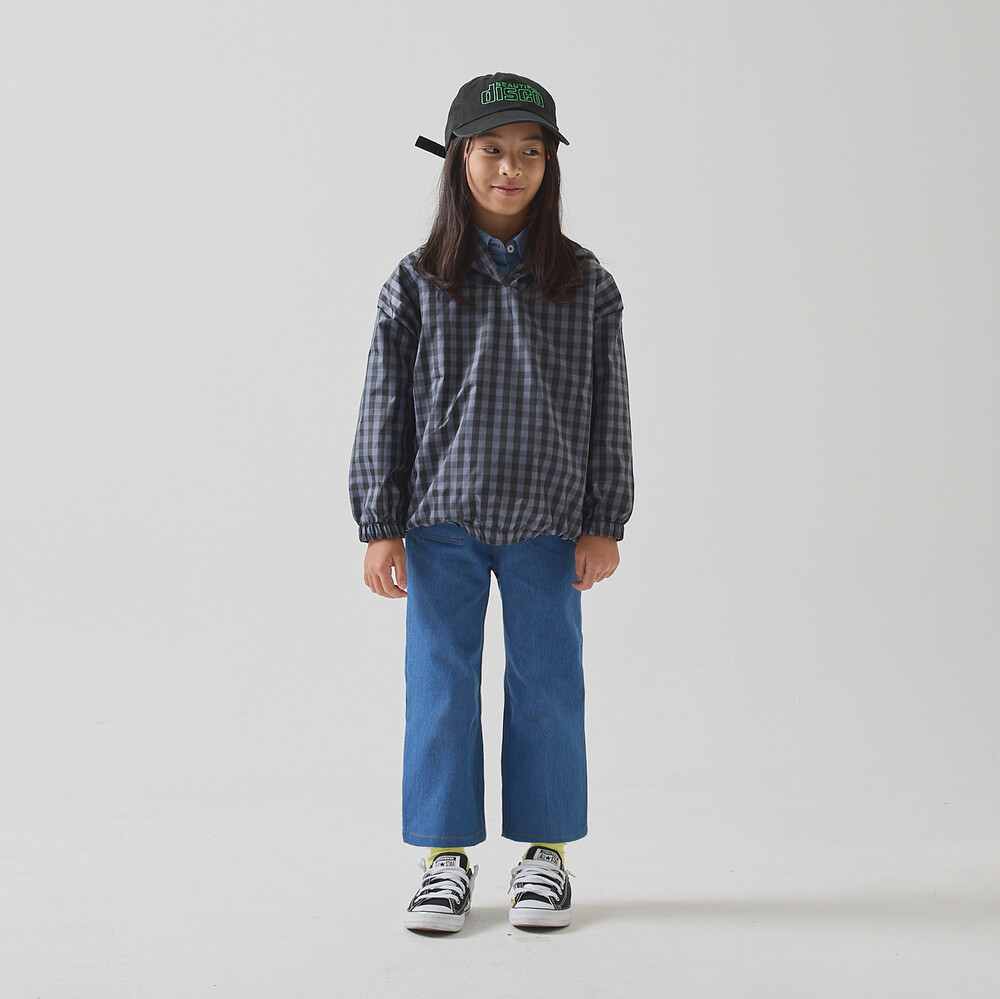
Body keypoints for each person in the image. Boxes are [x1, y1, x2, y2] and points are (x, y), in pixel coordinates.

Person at [348, 72, 634, 933]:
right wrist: (380, 523)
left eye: (530, 153)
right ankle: (444, 858)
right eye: (492, 150)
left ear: (549, 165)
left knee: (548, 685)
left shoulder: (585, 283)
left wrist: (605, 519)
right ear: (458, 158)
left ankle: (545, 855)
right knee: (441, 687)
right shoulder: (416, 281)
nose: (511, 168)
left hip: (549, 520)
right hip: (442, 520)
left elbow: (610, 406)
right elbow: (384, 407)